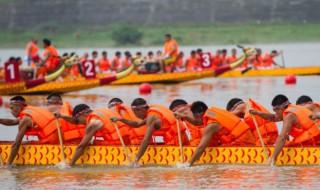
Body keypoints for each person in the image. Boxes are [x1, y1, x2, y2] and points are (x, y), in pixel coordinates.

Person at [176, 101, 256, 166]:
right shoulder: (211, 113)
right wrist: (183, 116)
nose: (194, 119)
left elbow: (201, 147)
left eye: (194, 116)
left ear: (198, 114)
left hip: (242, 145)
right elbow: (198, 122)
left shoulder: (211, 125)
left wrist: (188, 164)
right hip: (249, 140)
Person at [111, 98, 187, 165]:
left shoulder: (151, 117)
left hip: (177, 145)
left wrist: (136, 160)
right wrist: (120, 119)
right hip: (182, 141)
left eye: (134, 112)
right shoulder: (152, 113)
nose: (135, 115)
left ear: (141, 110)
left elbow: (146, 140)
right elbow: (137, 124)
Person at [249, 94, 320, 166]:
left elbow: (282, 137)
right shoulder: (295, 108)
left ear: (281, 108)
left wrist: (273, 158)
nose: (276, 113)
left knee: (285, 144)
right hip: (316, 138)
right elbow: (274, 118)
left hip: (312, 141)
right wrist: (258, 113)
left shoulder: (289, 116)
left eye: (275, 110)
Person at [60, 103, 131, 166]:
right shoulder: (103, 111)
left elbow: (81, 146)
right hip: (128, 146)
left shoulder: (93, 122)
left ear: (82, 114)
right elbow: (74, 120)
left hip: (115, 153)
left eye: (78, 121)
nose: (81, 124)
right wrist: (61, 116)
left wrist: (70, 164)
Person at [0, 96, 59, 165]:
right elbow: (13, 122)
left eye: (12, 108)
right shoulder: (30, 113)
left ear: (18, 106)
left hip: (52, 141)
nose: (11, 110)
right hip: (58, 137)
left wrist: (8, 164)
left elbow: (16, 144)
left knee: (20, 144)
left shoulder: (25, 119)